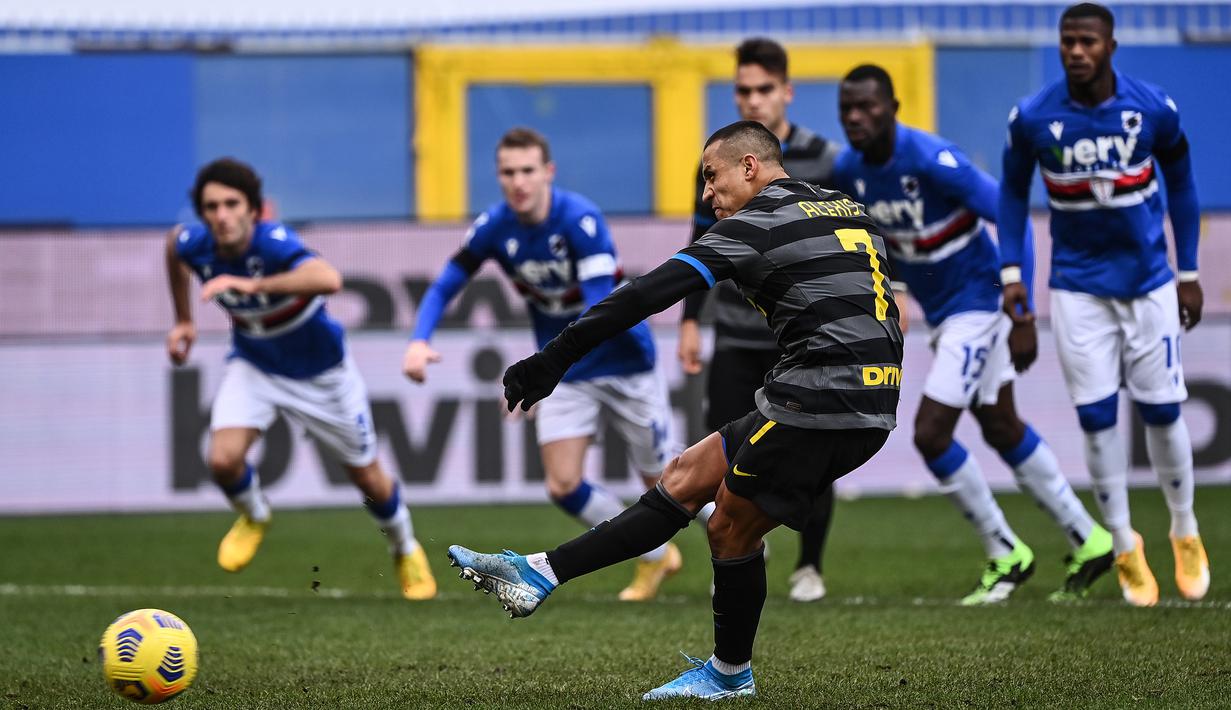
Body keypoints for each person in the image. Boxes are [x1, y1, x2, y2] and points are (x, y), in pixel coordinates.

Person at [448, 121, 902, 700]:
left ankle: (730, 675)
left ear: (750, 167)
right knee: (687, 476)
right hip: (855, 394)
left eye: (711, 179)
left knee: (729, 528)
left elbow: (642, 295)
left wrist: (551, 361)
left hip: (820, 399)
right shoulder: (845, 207)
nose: (708, 197)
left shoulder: (755, 225)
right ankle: (540, 572)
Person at [833, 64, 1114, 604]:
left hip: (980, 304)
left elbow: (1011, 215)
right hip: (945, 312)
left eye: (867, 106)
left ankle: (1005, 552)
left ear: (894, 106)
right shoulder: (849, 169)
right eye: (847, 108)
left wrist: (1023, 309)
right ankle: (1091, 539)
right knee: (1002, 426)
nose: (855, 117)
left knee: (930, 434)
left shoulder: (933, 160)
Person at [402, 127, 683, 602]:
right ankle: (654, 555)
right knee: (562, 483)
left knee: (668, 481)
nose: (519, 182)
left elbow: (601, 312)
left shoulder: (580, 221)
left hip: (623, 362)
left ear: (548, 172)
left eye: (528, 171)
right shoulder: (494, 226)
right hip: (566, 368)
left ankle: (739, 547)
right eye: (508, 172)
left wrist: (541, 368)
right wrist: (418, 339)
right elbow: (447, 281)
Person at [998, 2, 1208, 607]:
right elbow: (1013, 195)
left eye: (1088, 41)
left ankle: (1185, 529)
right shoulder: (1033, 117)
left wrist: (1189, 271)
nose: (1077, 52)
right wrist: (1012, 275)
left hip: (1149, 284)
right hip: (1078, 290)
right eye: (1068, 42)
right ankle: (1122, 542)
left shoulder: (1152, 108)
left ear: (1111, 45)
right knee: (1096, 419)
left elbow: (1184, 184)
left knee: (1164, 412)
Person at [165, 157, 436, 600]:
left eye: (232, 204)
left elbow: (328, 278)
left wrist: (250, 286)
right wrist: (183, 321)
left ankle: (406, 548)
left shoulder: (272, 244)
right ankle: (255, 513)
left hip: (321, 373)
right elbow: (172, 248)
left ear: (254, 210)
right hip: (255, 364)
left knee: (367, 479)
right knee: (222, 461)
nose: (222, 215)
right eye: (211, 206)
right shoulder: (195, 243)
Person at [678, 37, 843, 603]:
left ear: (787, 92)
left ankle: (810, 567)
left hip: (804, 333)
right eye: (743, 89)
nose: (753, 99)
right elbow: (698, 244)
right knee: (725, 443)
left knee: (811, 448)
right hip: (736, 327)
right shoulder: (718, 158)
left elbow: (852, 236)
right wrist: (690, 321)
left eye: (763, 89)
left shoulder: (825, 158)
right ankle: (748, 543)